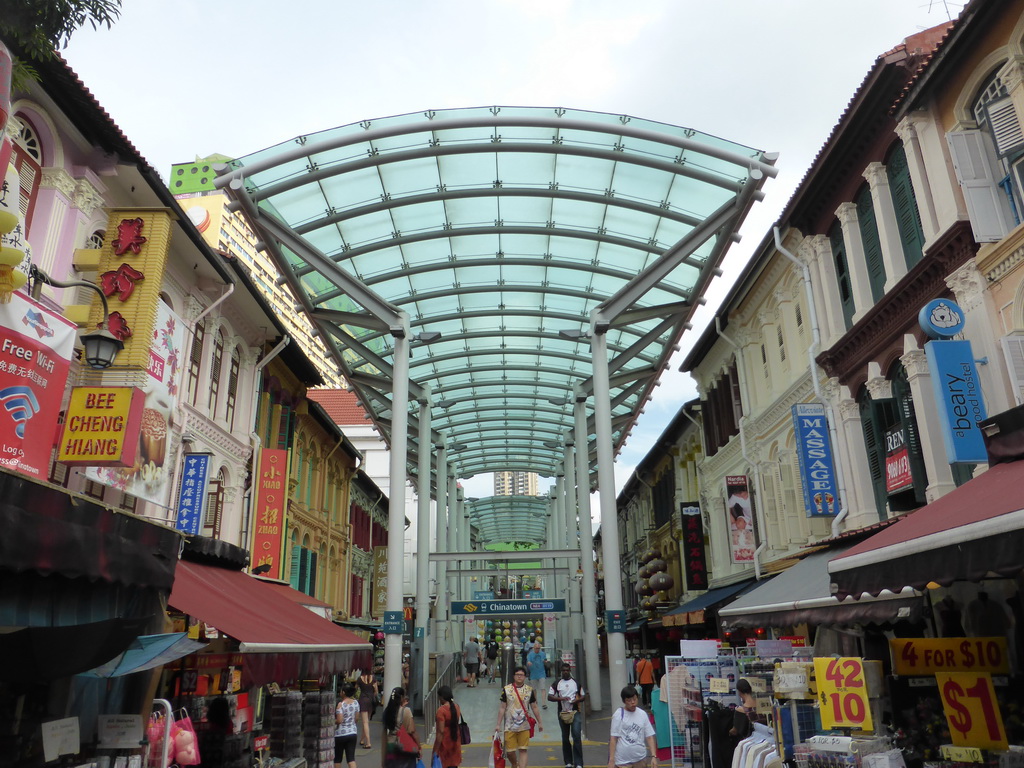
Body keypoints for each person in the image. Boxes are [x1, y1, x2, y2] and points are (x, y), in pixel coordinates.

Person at [496, 666, 543, 768]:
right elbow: (502, 707)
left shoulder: (529, 690)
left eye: (521, 675)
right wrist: (498, 724)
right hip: (509, 725)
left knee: (523, 749)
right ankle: (514, 763)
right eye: (517, 675)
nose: (519, 677)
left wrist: (540, 722)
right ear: (514, 676)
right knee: (510, 751)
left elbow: (534, 706)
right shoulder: (507, 689)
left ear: (525, 677)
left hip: (524, 725)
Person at [608, 685, 657, 768]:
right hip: (622, 762)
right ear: (624, 701)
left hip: (640, 760)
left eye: (634, 699)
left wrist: (654, 756)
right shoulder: (618, 714)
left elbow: (649, 736)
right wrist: (611, 760)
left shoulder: (642, 714)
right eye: (629, 700)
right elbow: (613, 738)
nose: (633, 702)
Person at [548, 662, 585, 768]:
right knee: (565, 737)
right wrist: (561, 699)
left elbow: (583, 695)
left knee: (576, 736)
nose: (565, 672)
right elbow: (549, 696)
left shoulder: (576, 683)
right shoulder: (557, 683)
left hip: (575, 712)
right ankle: (568, 761)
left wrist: (576, 700)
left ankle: (578, 763)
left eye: (567, 670)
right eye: (563, 670)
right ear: (561, 671)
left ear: (570, 671)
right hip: (562, 713)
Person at [383, 687, 419, 768]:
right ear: (402, 698)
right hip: (405, 747)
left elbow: (384, 733)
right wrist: (419, 747)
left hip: (391, 746)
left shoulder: (387, 711)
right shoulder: (406, 711)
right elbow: (412, 731)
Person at [433, 685, 463, 768]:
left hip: (445, 744)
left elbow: (441, 732)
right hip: (455, 741)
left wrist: (435, 751)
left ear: (442, 697)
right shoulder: (456, 707)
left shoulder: (441, 710)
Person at [335, 683, 360, 768]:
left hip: (340, 734)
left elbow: (339, 720)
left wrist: (333, 721)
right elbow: (356, 719)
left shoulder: (340, 705)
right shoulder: (356, 703)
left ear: (344, 692)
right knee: (351, 759)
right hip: (352, 733)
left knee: (337, 759)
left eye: (341, 691)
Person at [357, 670, 379, 748]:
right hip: (371, 700)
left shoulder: (359, 679)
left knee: (364, 722)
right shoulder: (373, 678)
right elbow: (376, 691)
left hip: (363, 700)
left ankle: (368, 742)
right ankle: (362, 740)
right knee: (366, 721)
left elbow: (355, 689)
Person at [526, 641, 548, 708]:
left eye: (538, 648)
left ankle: (544, 703)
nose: (537, 650)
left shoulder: (543, 654)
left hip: (541, 673)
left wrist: (545, 662)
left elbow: (545, 660)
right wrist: (529, 663)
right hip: (533, 673)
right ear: (533, 648)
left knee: (543, 688)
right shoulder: (530, 654)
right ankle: (535, 701)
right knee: (534, 689)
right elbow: (528, 661)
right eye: (536, 648)